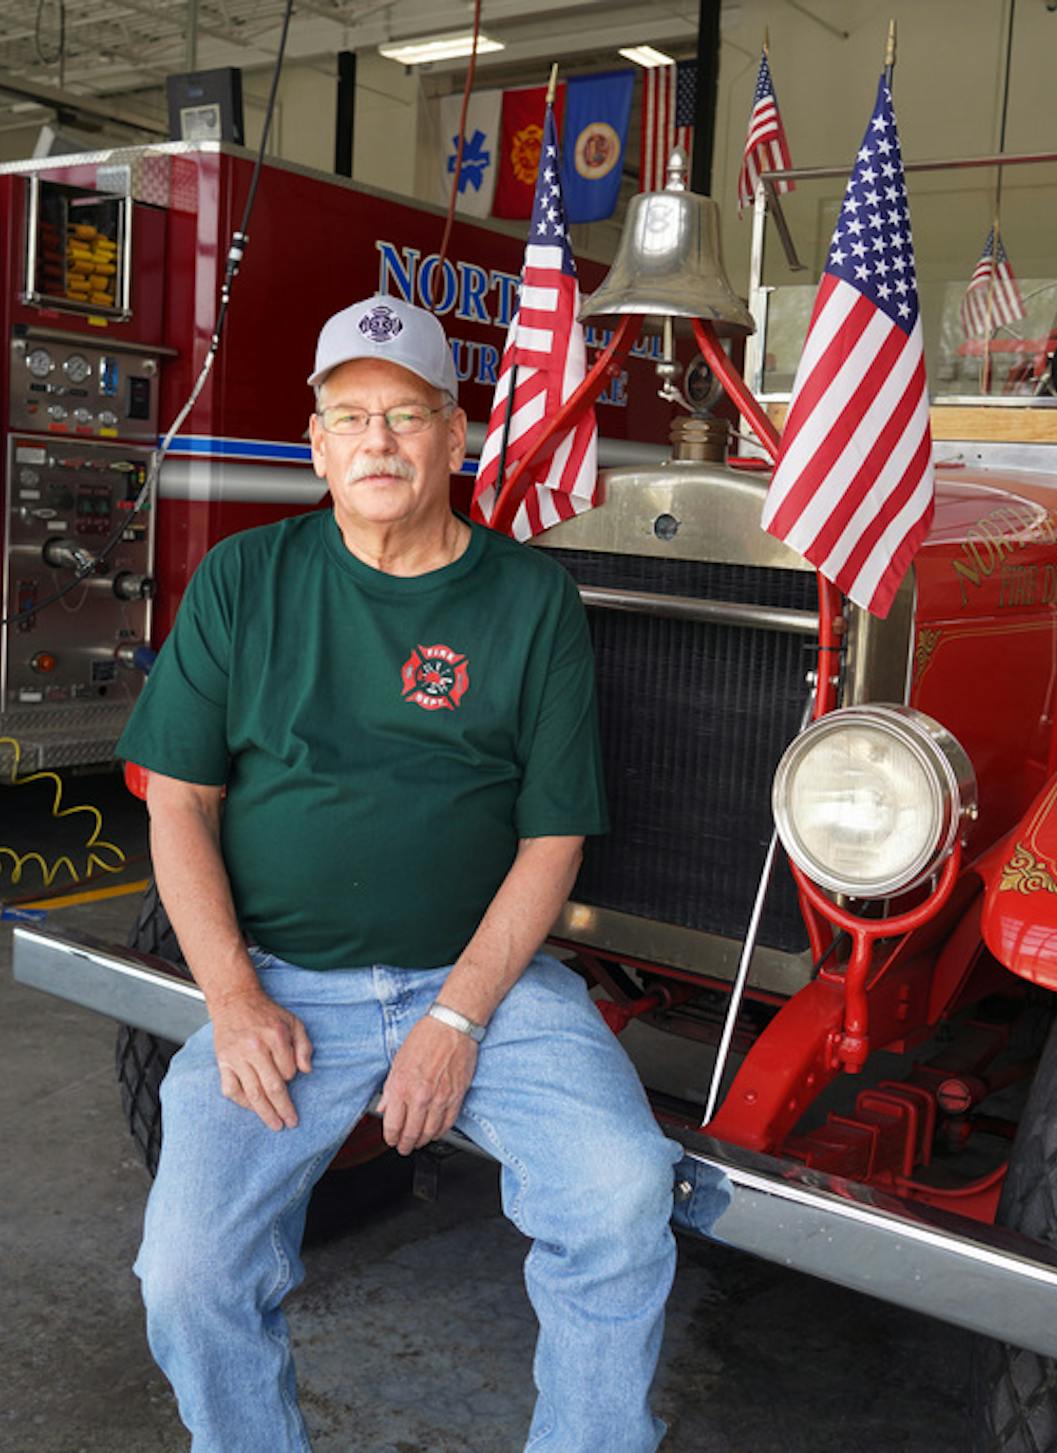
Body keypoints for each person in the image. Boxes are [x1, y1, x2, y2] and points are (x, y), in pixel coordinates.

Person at [115, 294, 684, 1453]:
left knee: (622, 1198)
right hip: (282, 985)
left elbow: (552, 839)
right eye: (350, 415)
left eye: (407, 414)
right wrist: (231, 997)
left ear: (455, 436)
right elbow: (180, 802)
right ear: (315, 441)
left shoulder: (531, 601)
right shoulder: (242, 581)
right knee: (186, 1272)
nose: (378, 440)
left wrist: (460, 1015)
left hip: (491, 987)